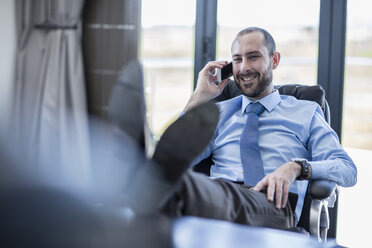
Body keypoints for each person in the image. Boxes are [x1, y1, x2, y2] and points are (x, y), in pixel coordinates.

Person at [112, 27, 357, 231]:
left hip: (274, 203)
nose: (243, 68)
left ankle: (138, 171)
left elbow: (347, 169)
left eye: (253, 57)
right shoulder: (217, 113)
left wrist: (296, 167)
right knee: (169, 189)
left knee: (172, 185)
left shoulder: (305, 111)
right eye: (237, 59)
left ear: (274, 60)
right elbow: (182, 157)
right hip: (215, 197)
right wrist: (198, 97)